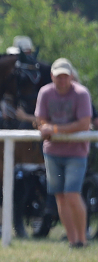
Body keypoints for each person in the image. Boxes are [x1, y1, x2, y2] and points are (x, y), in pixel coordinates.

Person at [34, 58, 92, 248]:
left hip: (76, 152)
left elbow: (84, 123)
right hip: (52, 152)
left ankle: (82, 239)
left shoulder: (81, 94)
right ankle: (72, 239)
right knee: (60, 195)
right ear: (52, 76)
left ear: (71, 76)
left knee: (72, 193)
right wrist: (44, 127)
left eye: (65, 76)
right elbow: (40, 119)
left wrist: (55, 129)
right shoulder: (45, 93)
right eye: (58, 77)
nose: (62, 80)